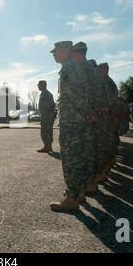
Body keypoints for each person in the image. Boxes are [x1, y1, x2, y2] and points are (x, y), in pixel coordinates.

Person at [49, 41, 89, 212]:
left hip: (71, 120)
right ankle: (78, 192)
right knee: (77, 157)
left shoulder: (68, 68)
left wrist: (86, 112)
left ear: (66, 50)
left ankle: (71, 198)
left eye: (56, 51)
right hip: (76, 118)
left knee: (71, 159)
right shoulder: (74, 66)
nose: (54, 54)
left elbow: (75, 94)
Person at [71, 43, 105, 199]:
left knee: (81, 153)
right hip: (92, 114)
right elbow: (98, 94)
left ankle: (81, 189)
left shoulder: (81, 68)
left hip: (83, 115)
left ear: (76, 53)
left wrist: (87, 111)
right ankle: (90, 183)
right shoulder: (93, 70)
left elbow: (79, 94)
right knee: (90, 150)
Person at [97, 62, 119, 182]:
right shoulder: (110, 82)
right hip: (109, 117)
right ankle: (105, 168)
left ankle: (101, 172)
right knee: (108, 144)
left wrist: (104, 110)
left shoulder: (105, 81)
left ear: (102, 70)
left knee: (102, 146)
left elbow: (108, 102)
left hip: (105, 118)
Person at [37, 80, 55, 153]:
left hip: (47, 116)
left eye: (39, 85)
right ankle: (48, 146)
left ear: (43, 85)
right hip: (46, 116)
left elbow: (51, 105)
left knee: (46, 132)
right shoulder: (44, 93)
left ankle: (47, 146)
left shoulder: (46, 94)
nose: (38, 86)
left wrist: (46, 112)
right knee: (47, 131)